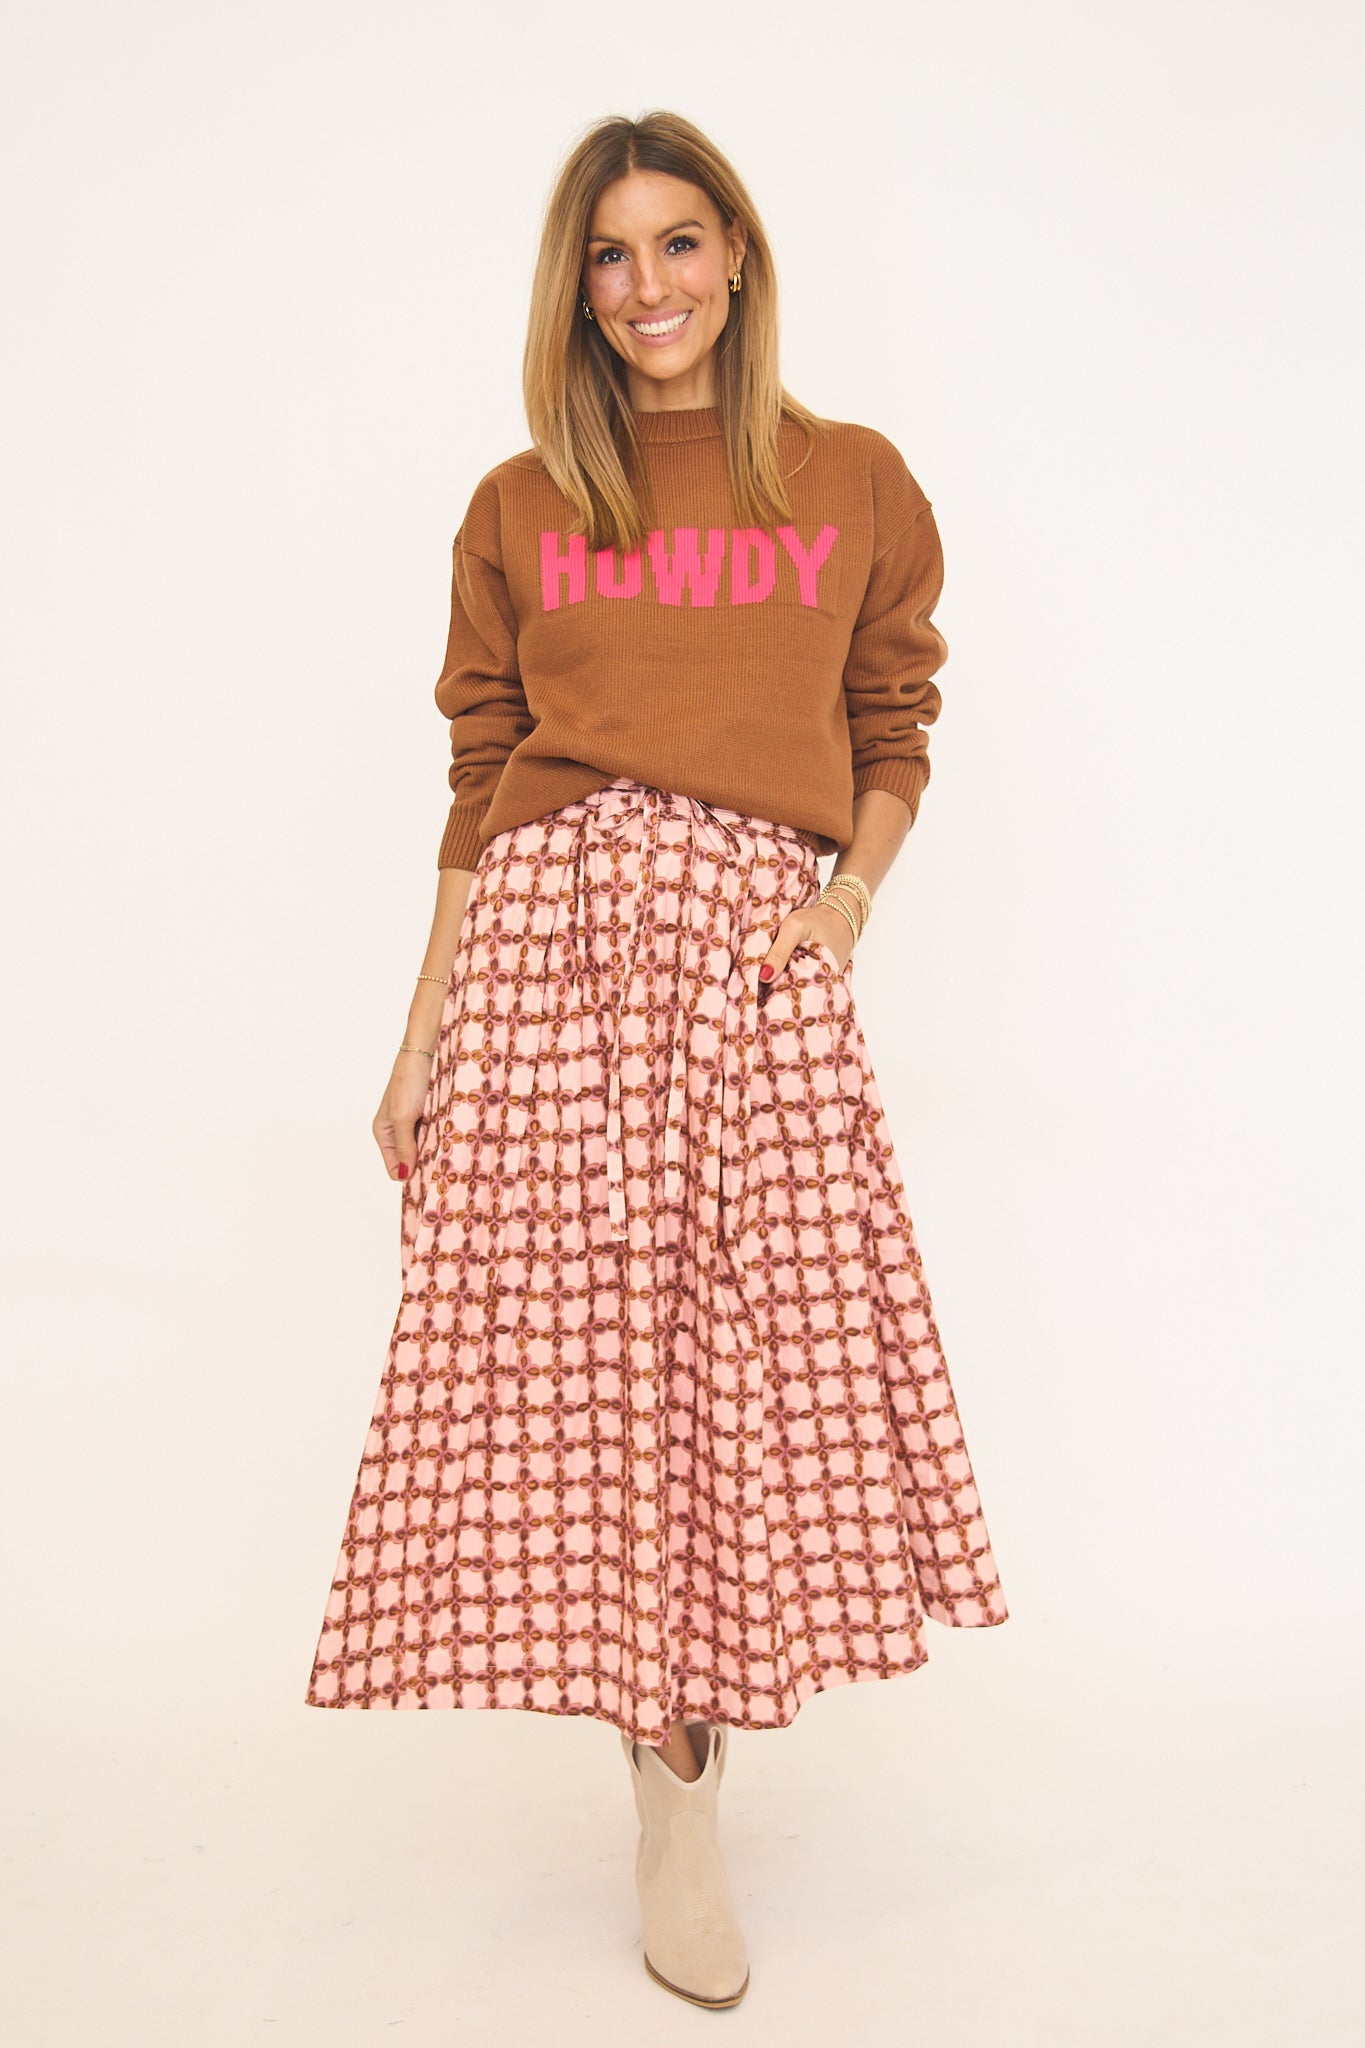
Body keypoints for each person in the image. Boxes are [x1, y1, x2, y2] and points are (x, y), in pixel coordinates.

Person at [304, 108, 1009, 2011]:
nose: (646, 288)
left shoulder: (850, 478)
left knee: (734, 1374)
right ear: (577, 288)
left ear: (738, 254)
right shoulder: (520, 502)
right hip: (546, 960)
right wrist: (424, 1031)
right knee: (591, 1385)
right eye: (609, 256)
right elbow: (481, 773)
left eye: (677, 243)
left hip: (748, 963)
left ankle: (697, 1768)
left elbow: (891, 720)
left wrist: (839, 910)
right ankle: (666, 1800)